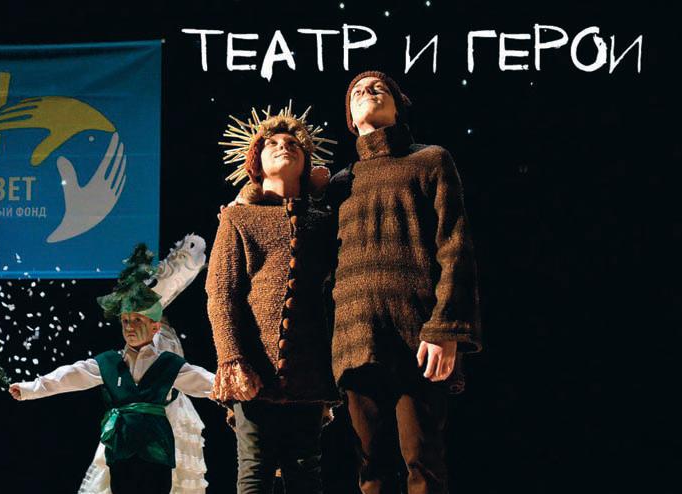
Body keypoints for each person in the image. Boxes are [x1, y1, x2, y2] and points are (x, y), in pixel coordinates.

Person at [326, 71, 483, 494]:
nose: (367, 91)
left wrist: (445, 329)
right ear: (350, 119)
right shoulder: (340, 184)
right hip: (355, 340)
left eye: (378, 88)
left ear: (398, 107)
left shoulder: (430, 160)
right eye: (357, 91)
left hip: (419, 337)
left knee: (423, 464)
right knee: (370, 474)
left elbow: (455, 247)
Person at [10, 243, 214, 494]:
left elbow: (205, 382)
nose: (129, 327)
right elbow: (71, 376)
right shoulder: (110, 363)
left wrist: (238, 389)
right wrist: (30, 389)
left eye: (137, 320)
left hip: (157, 452)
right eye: (125, 321)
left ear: (155, 327)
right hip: (122, 449)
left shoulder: (168, 363)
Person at [207, 104, 338, 493]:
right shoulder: (238, 219)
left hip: (309, 369)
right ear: (256, 163)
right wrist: (232, 358)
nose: (284, 146)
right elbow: (222, 292)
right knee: (255, 469)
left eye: (294, 144)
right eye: (273, 144)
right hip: (255, 368)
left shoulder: (323, 219)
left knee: (306, 471)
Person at [78, 235, 211, 494]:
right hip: (136, 421)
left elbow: (194, 378)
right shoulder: (143, 333)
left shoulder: (159, 333)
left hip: (164, 415)